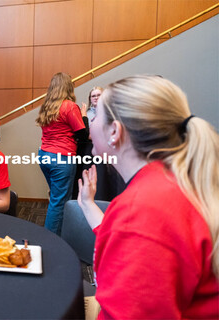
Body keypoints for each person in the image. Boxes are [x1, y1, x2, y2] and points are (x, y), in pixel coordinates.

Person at [78, 75, 219, 319]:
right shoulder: (172, 182)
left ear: (114, 131)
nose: (90, 124)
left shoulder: (143, 208)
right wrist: (88, 206)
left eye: (96, 115)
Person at [36, 72, 88, 236]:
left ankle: (59, 234)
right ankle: (51, 240)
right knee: (59, 202)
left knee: (55, 199)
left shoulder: (47, 106)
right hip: (62, 158)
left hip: (44, 155)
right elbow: (82, 134)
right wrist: (84, 115)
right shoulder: (70, 106)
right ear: (68, 87)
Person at [72, 86, 125, 200]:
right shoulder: (85, 114)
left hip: (105, 151)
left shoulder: (110, 112)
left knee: (103, 180)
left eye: (98, 95)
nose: (96, 98)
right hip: (87, 150)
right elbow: (84, 134)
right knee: (87, 177)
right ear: (90, 99)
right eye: (93, 96)